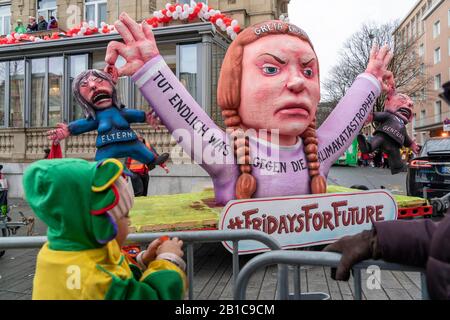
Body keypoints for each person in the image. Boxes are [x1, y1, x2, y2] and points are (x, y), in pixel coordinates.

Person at [105, 13, 394, 205]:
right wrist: (151, 69)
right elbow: (186, 119)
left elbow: (347, 118)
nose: (296, 82)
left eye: (308, 72)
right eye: (270, 68)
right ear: (234, 87)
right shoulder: (229, 153)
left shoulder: (318, 150)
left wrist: (371, 79)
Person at [323, 82, 450, 300]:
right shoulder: (391, 118)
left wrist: (412, 145)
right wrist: (376, 240)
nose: (408, 104)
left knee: (393, 155)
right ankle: (371, 146)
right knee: (379, 143)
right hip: (385, 138)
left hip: (394, 145)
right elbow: (444, 238)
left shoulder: (401, 123)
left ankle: (389, 158)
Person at [25, 158, 187, 300]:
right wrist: (168, 260)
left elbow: (114, 272)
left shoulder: (62, 251)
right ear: (101, 223)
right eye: (124, 215)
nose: (129, 221)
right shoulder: (95, 281)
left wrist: (142, 261)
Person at [47, 68, 170, 169]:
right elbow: (83, 124)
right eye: (85, 86)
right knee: (99, 168)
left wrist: (148, 118)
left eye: (98, 81)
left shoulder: (122, 112)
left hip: (131, 143)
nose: (93, 86)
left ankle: (153, 160)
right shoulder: (96, 118)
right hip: (108, 148)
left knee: (142, 150)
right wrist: (68, 130)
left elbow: (138, 115)